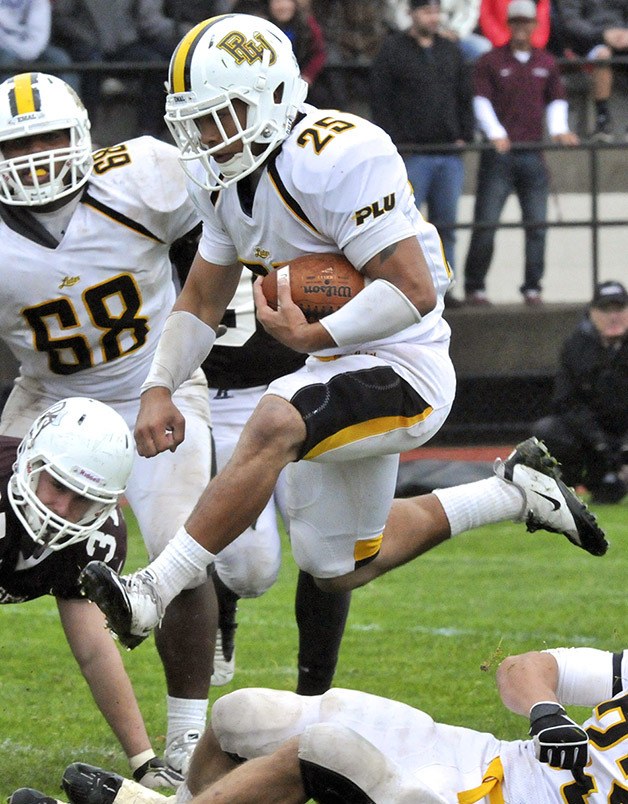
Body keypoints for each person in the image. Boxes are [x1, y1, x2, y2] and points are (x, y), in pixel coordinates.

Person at [76, 13, 606, 653]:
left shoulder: (338, 152)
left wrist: (313, 337)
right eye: (197, 119)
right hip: (332, 362)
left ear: (274, 96)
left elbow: (414, 290)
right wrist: (159, 384)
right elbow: (201, 297)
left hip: (405, 362)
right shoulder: (220, 178)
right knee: (337, 569)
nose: (208, 136)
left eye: (222, 115)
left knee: (274, 421)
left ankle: (150, 593)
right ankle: (509, 494)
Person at [0, 72, 215, 776]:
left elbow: (214, 247)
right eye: (19, 145)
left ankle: (183, 744)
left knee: (182, 554)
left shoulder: (143, 177)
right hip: (47, 400)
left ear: (86, 135)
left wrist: (197, 347)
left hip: (156, 386)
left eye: (49, 138)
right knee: (66, 568)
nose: (35, 158)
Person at [15, 643, 628, 803]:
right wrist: (547, 714)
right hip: (473, 754)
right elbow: (526, 667)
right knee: (242, 716)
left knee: (327, 750)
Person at [176, 267, 351, 692]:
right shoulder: (183, 210)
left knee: (332, 550)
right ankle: (224, 600)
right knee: (250, 570)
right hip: (220, 398)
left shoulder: (313, 204)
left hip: (306, 379)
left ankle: (314, 695)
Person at [0, 397, 182, 790]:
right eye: (58, 486)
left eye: (84, 499)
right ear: (29, 460)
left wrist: (143, 761)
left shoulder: (97, 538)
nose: (63, 509)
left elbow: (95, 650)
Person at [462, 0, 579, 307]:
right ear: (509, 25)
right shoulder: (489, 61)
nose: (522, 28)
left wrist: (559, 129)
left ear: (535, 25)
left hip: (533, 153)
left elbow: (556, 100)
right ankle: (475, 286)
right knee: (486, 224)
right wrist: (496, 134)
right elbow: (481, 101)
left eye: (528, 22)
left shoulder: (546, 62)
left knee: (537, 226)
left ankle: (532, 286)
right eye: (517, 23)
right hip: (500, 156)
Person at [370, 0, 475, 299]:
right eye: (427, 11)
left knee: (447, 227)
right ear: (412, 14)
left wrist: (464, 134)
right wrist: (396, 141)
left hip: (447, 152)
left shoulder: (450, 50)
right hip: (411, 153)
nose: (433, 17)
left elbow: (464, 94)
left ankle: (446, 288)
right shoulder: (392, 51)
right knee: (404, 227)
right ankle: (408, 289)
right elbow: (381, 99)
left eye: (436, 11)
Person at [533, 280, 628, 504]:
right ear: (592, 313)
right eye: (605, 310)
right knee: (548, 430)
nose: (613, 317)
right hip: (591, 439)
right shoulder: (575, 347)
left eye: (620, 309)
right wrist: (599, 442)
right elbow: (565, 402)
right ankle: (567, 487)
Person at [51, 0, 188, 138]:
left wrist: (127, 35)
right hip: (86, 45)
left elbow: (144, 19)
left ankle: (147, 130)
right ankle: (88, 132)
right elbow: (61, 17)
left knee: (156, 64)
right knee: (92, 65)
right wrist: (86, 37)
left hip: (123, 45)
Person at [558, 0, 628, 142]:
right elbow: (570, 21)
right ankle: (602, 120)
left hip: (623, 37)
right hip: (588, 42)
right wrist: (602, 34)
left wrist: (625, 34)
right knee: (602, 55)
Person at [0, 0, 78, 93]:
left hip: (32, 49)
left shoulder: (39, 2)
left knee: (60, 59)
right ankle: (5, 104)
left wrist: (25, 53)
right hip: (4, 48)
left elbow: (38, 37)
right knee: (6, 60)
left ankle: (70, 104)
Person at [261, 0, 327, 91]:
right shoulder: (261, 27)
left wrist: (307, 76)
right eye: (277, 1)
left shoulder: (307, 25)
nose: (283, 6)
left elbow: (319, 53)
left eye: (287, 1)